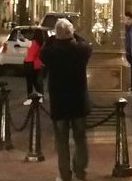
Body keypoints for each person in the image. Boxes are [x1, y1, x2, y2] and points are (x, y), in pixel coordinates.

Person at [41, 19, 91, 181]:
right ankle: (80, 170)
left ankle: (65, 175)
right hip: (78, 101)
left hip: (59, 103)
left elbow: (43, 51)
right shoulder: (81, 50)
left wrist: (53, 38)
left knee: (61, 142)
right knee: (81, 139)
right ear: (71, 33)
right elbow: (85, 43)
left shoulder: (51, 52)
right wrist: (72, 34)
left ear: (57, 35)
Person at [22, 29, 44, 106]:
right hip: (36, 63)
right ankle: (40, 96)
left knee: (29, 82)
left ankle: (29, 98)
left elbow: (22, 43)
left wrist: (20, 38)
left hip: (29, 63)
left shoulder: (32, 42)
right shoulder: (39, 43)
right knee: (35, 81)